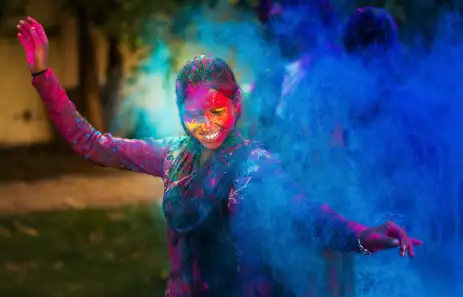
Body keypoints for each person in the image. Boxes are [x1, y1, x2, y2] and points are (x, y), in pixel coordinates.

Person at [17, 17, 421, 297]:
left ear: (236, 104)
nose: (207, 125)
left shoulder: (254, 165)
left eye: (216, 111)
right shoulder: (170, 155)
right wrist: (42, 76)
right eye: (194, 115)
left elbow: (308, 216)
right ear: (179, 111)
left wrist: (364, 235)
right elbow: (92, 143)